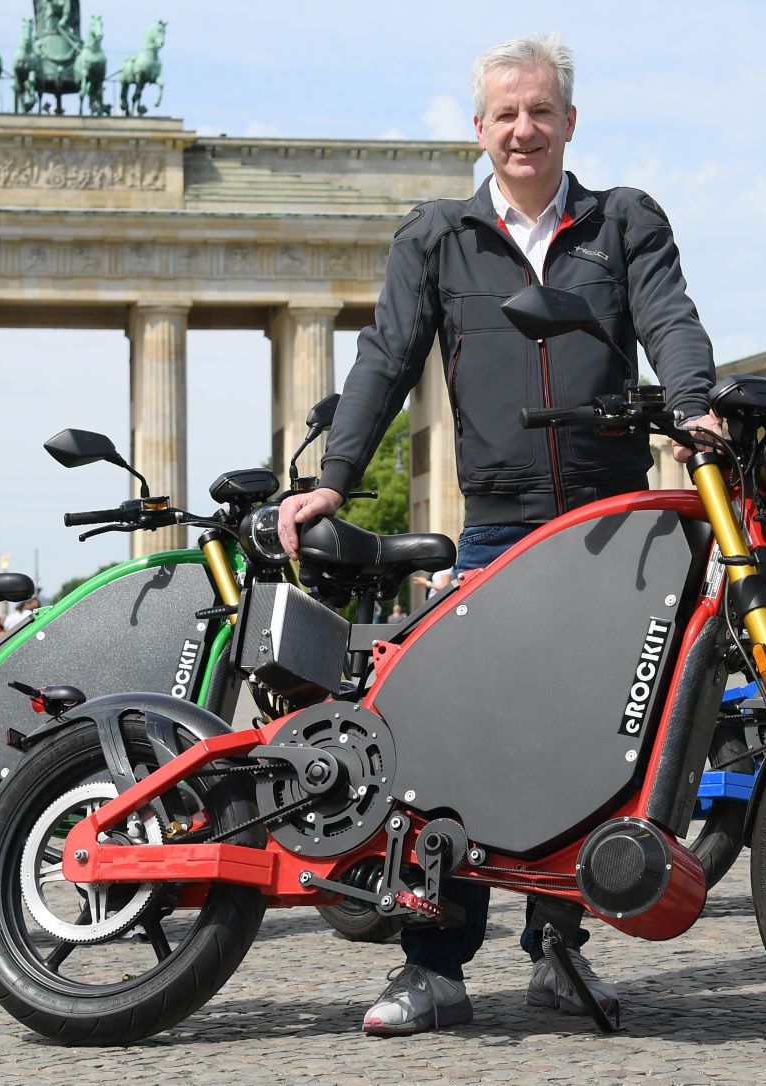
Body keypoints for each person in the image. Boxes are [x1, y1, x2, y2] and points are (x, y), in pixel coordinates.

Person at [278, 33, 722, 1037]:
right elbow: (386, 357)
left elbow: (669, 319)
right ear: (478, 129)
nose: (524, 129)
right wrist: (334, 480)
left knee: (602, 749)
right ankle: (433, 967)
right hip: (499, 523)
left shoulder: (623, 222)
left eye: (540, 111)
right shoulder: (437, 235)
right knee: (460, 740)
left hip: (614, 525)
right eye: (506, 114)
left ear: (570, 122)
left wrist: (691, 403)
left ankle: (556, 949)